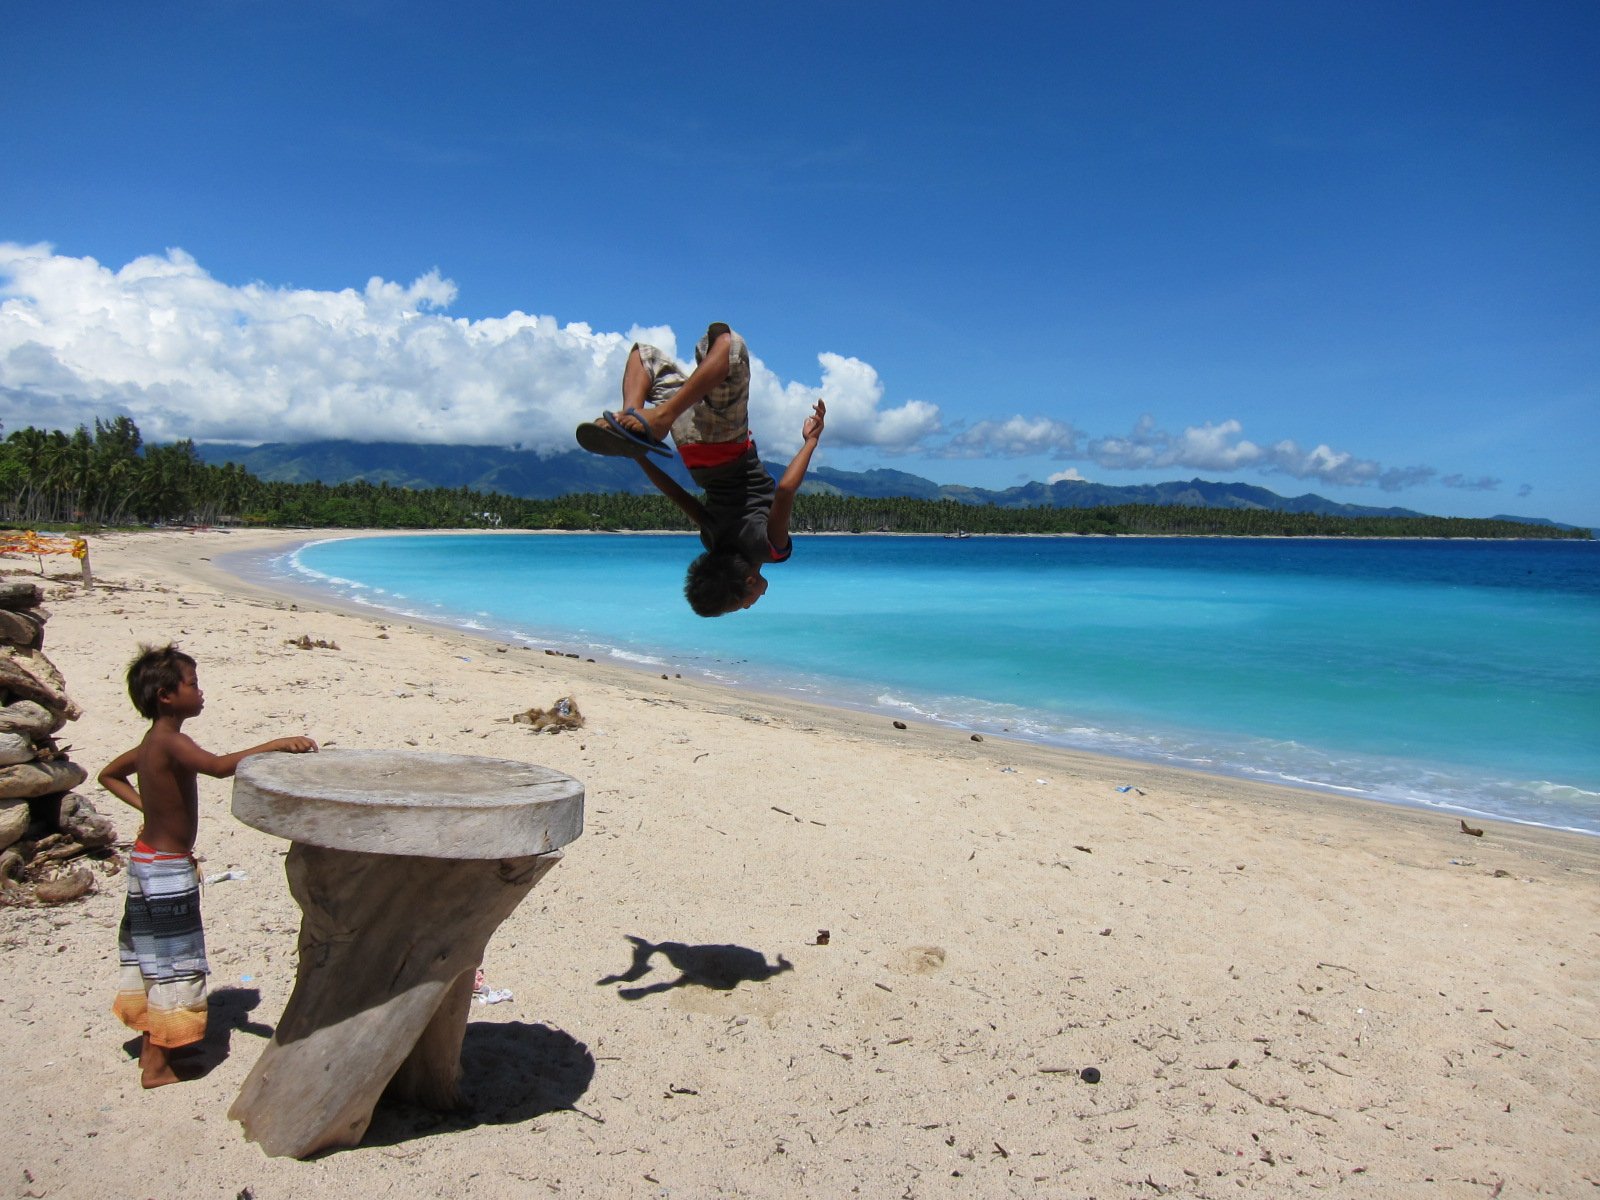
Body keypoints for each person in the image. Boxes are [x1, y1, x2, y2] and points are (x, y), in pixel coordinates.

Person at [98, 644, 317, 1088]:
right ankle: (157, 1067)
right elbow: (217, 768)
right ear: (165, 695)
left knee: (151, 956)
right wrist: (275, 745)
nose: (200, 693)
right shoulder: (172, 741)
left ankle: (155, 1046)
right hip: (165, 869)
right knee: (175, 962)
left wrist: (151, 813)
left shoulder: (150, 743)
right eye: (193, 684)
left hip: (147, 858)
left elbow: (108, 774)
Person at [576, 322, 825, 616]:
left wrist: (811, 441)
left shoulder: (771, 549)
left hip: (725, 442)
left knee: (730, 347)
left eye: (742, 604)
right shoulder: (713, 540)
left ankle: (657, 419)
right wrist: (639, 456)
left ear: (748, 581)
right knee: (645, 357)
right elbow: (677, 495)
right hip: (692, 452)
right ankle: (632, 416)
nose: (749, 605)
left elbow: (785, 490)